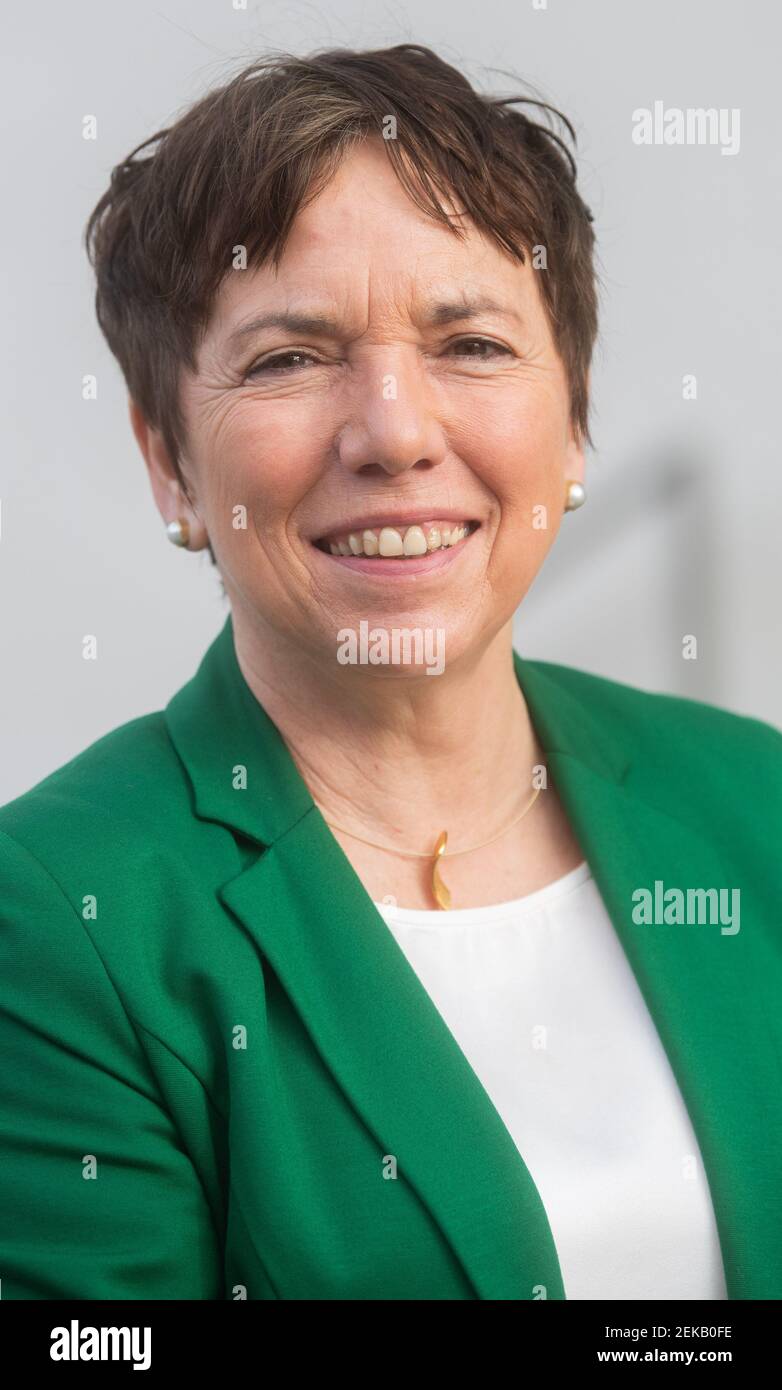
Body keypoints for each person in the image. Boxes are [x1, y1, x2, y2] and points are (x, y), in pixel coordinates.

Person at [1, 44, 780, 1301]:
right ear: (170, 463)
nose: (395, 433)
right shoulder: (58, 921)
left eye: (468, 343)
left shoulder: (756, 801)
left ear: (572, 417)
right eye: (287, 358)